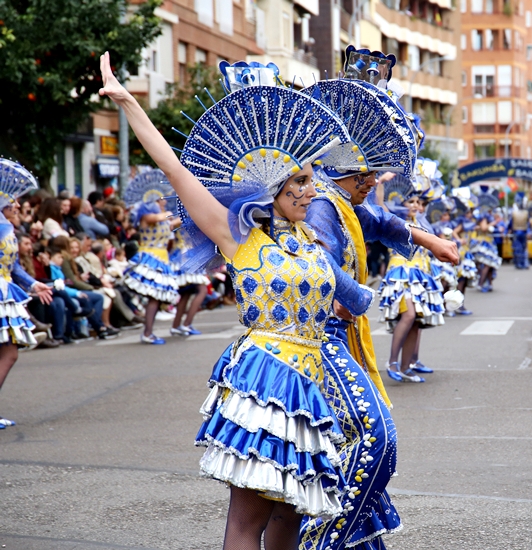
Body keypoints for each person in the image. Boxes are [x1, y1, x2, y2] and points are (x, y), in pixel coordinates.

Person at [101, 53, 378, 549]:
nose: (312, 191)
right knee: (248, 522)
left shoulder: (311, 242)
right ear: (272, 188)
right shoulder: (240, 240)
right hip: (265, 378)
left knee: (293, 515)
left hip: (312, 385)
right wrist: (128, 103)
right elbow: (173, 166)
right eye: (300, 182)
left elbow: (354, 297)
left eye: (311, 180)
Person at [301, 54, 458, 550]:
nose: (371, 184)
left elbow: (378, 222)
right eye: (363, 176)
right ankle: (324, 536)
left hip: (339, 333)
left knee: (353, 443)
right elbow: (322, 265)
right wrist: (357, 296)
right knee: (371, 439)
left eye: (373, 176)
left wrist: (428, 240)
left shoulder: (341, 199)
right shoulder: (324, 203)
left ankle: (353, 536)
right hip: (314, 340)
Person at [377, 170, 445, 382]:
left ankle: (407, 367)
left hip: (420, 276)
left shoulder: (422, 222)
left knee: (416, 319)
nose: (416, 205)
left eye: (418, 201)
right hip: (401, 274)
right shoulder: (395, 220)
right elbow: (379, 208)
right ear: (399, 202)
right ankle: (392, 362)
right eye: (411, 201)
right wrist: (380, 184)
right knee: (408, 315)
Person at [0, 160, 53, 428]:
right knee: (9, 353)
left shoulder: (7, 227)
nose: (19, 206)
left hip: (5, 291)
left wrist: (34, 285)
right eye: (14, 201)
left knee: (8, 352)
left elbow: (14, 267)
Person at [121, 170, 180, 345]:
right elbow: (159, 217)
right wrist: (172, 213)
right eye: (160, 199)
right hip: (149, 257)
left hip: (161, 259)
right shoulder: (147, 217)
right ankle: (147, 332)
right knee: (153, 297)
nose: (163, 202)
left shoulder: (162, 219)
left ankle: (149, 331)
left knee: (156, 297)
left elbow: (171, 224)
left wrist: (187, 214)